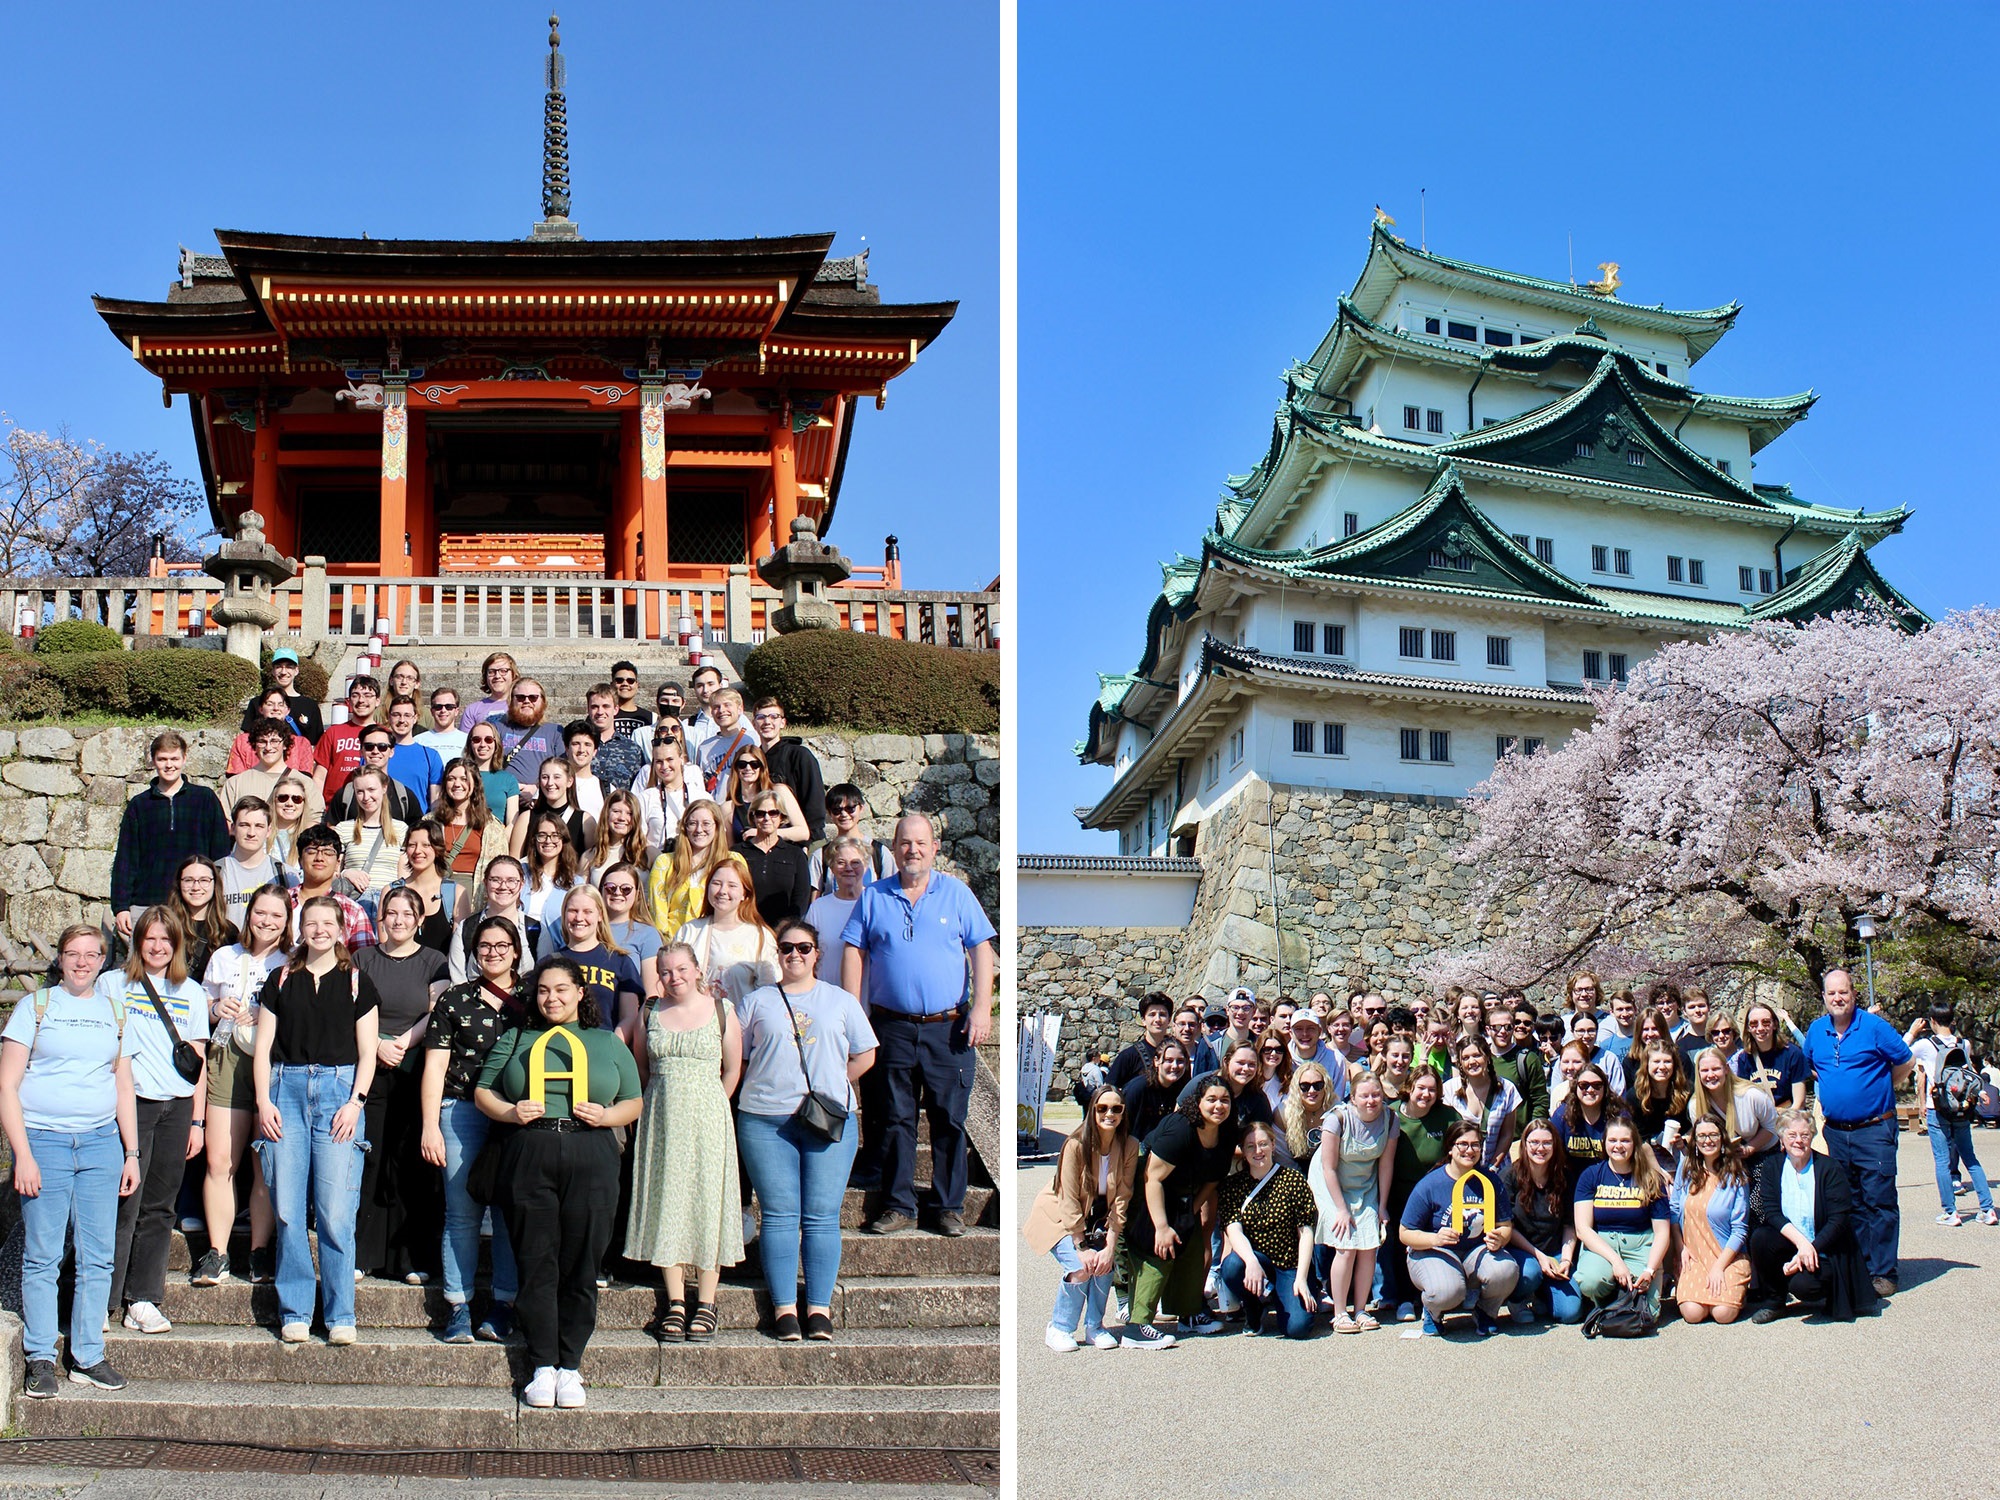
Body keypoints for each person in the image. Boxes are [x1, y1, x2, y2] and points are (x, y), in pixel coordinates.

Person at [474, 957, 643, 1406]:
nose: (552, 998)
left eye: (561, 989)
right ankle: (543, 1364)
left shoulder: (607, 1041)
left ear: (580, 993)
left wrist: (608, 1116)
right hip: (531, 1150)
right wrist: (510, 1112)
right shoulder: (515, 1037)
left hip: (592, 1152)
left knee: (582, 1263)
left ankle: (571, 1366)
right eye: (544, 990)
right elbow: (483, 1090)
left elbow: (634, 1100)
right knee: (536, 1260)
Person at [1, 925, 142, 1397]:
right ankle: (40, 1356)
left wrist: (131, 1153)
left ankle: (87, 1355)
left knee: (98, 1257)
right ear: (59, 959)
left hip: (102, 1143)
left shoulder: (116, 1011)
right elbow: (6, 1087)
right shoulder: (35, 1007)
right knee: (42, 1255)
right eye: (72, 954)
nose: (82, 962)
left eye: (91, 954)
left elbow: (124, 1086)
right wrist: (22, 1154)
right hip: (45, 1141)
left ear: (104, 960)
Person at [840, 814, 995, 1240]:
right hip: (891, 1025)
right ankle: (898, 1204)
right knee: (894, 1118)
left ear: (935, 847)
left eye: (920, 843)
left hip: (949, 1028)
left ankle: (948, 1207)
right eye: (905, 843)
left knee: (949, 1118)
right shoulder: (874, 896)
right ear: (893, 848)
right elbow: (854, 951)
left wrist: (982, 1007)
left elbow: (981, 948)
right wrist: (854, 1013)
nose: (913, 850)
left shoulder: (957, 894)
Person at [735, 920, 877, 1343]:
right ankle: (783, 1308)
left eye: (803, 948)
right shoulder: (757, 1001)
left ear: (818, 954)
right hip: (765, 1119)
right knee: (778, 1214)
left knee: (821, 1216)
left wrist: (831, 1089)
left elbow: (866, 1054)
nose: (794, 955)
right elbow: (736, 1058)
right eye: (786, 948)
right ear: (777, 954)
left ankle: (818, 1306)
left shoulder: (840, 1000)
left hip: (828, 1120)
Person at [252, 896, 380, 1344]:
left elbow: (369, 1053)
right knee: (288, 1208)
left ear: (341, 930)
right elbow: (263, 1048)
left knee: (336, 1210)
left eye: (328, 923)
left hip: (339, 1094)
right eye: (311, 922)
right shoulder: (280, 978)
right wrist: (264, 1102)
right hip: (285, 1091)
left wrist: (355, 1102)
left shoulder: (356, 982)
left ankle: (341, 1311)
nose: (319, 929)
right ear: (299, 928)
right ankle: (295, 1309)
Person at [626, 943, 745, 1341]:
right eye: (666, 971)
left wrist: (710, 1105)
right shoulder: (650, 1012)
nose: (674, 977)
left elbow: (732, 1070)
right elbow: (642, 1066)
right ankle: (676, 1301)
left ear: (697, 970)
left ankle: (707, 1302)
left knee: (708, 1203)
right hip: (662, 1118)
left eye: (681, 969)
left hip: (709, 1120)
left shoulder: (722, 1012)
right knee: (668, 1203)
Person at [420, 915, 530, 1344]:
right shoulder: (455, 1000)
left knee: (508, 1212)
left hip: (518, 1114)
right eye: (484, 946)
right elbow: (435, 1067)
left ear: (516, 951)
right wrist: (430, 1125)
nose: (493, 953)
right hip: (461, 1110)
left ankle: (503, 1304)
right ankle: (458, 1306)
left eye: (502, 946)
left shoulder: (531, 998)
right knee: (462, 1212)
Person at [103, 907, 209, 1336]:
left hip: (177, 1105)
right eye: (150, 938)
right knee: (123, 1204)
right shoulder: (113, 984)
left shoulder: (193, 992)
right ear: (137, 941)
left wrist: (198, 1122)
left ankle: (143, 1299)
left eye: (167, 939)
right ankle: (104, 1299)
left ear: (178, 944)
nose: (158, 946)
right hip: (131, 1104)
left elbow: (198, 1059)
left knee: (160, 1206)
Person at [192, 884, 289, 1287]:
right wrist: (217, 1008)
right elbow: (200, 1005)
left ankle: (260, 1252)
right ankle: (217, 1252)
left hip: (275, 1061)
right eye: (260, 913)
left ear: (287, 924)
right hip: (228, 1057)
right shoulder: (223, 957)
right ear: (249, 915)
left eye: (276, 916)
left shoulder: (293, 962)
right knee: (220, 1161)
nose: (266, 921)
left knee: (263, 1165)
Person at [352, 888, 448, 1284]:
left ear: (419, 919)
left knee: (411, 1160)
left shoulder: (434, 960)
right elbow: (351, 1006)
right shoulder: (362, 959)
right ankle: (364, 1253)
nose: (398, 920)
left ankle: (412, 1257)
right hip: (368, 1064)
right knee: (370, 1156)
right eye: (390, 913)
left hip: (413, 1065)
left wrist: (400, 1043)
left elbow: (436, 1012)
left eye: (406, 914)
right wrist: (375, 1044)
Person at [1801, 968, 1912, 1297]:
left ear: (1854, 994)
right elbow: (1811, 1066)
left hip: (1874, 1128)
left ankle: (1884, 1271)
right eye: (1831, 993)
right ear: (1824, 997)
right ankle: (1862, 1266)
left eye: (1844, 992)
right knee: (1850, 1202)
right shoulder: (1816, 1030)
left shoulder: (1874, 1027)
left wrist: (1879, 1089)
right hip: (1836, 1131)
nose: (1838, 998)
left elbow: (1905, 1062)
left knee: (1879, 1200)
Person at [1122, 1079, 1237, 1348]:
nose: (1219, 1106)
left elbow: (1214, 1178)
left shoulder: (1227, 1132)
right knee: (1159, 1249)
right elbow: (1153, 1177)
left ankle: (1188, 1314)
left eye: (1225, 1100)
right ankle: (1137, 1326)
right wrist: (1162, 1227)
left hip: (1186, 1191)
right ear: (1198, 1102)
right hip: (1150, 1187)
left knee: (1192, 1243)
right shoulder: (1181, 1128)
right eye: (1211, 1099)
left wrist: (1191, 1211)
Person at [1026, 1084, 1137, 1351]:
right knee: (1079, 1267)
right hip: (1060, 1218)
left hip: (1097, 1222)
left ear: (1123, 1113)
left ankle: (1095, 1327)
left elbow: (1122, 1198)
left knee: (1104, 1264)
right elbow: (1067, 1198)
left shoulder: (1129, 1146)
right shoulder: (1075, 1145)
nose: (1109, 1113)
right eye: (1102, 1108)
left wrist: (1110, 1245)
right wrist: (1081, 1245)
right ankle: (1060, 1327)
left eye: (1116, 1109)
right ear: (1092, 1111)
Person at [1746, 1108, 1878, 1322]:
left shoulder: (1829, 1168)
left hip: (1825, 1247)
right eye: (1792, 1135)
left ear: (1812, 1137)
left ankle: (1834, 1290)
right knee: (1761, 1238)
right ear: (1781, 1137)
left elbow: (1839, 1220)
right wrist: (1801, 1245)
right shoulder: (1773, 1166)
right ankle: (1774, 1302)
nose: (1798, 1141)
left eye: (1804, 1135)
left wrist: (1811, 1248)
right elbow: (1771, 1211)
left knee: (1804, 1287)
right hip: (1794, 1242)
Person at [1398, 1119, 1518, 1337]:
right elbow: (1405, 1233)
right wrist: (1434, 1239)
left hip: (1476, 1251)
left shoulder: (1489, 1180)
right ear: (1451, 1149)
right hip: (1435, 1251)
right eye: (1463, 1144)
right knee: (1447, 1290)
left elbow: (1506, 1226)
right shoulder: (1431, 1183)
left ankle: (1485, 1312)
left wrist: (1500, 1238)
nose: (1469, 1150)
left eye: (1475, 1145)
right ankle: (1432, 1312)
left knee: (1506, 1270)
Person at [111, 732, 230, 940]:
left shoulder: (205, 799)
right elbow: (126, 858)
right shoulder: (139, 805)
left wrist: (216, 898)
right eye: (162, 759)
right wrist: (121, 906)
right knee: (143, 968)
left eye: (174, 758)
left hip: (194, 905)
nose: (169, 765)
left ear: (184, 759)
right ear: (153, 761)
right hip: (147, 902)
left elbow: (220, 855)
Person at [1214, 1120, 1317, 1340]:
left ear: (1272, 1144)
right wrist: (1251, 1261)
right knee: (1232, 1266)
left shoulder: (1293, 1180)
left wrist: (1301, 1278)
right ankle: (1253, 1306)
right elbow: (1234, 1230)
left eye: (1263, 1144)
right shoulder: (1233, 1186)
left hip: (1290, 1264)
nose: (1258, 1151)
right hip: (1256, 1261)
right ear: (1242, 1150)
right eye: (1250, 1146)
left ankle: (1287, 1294)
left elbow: (1306, 1233)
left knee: (1297, 1329)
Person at [1313, 1072, 1396, 1332]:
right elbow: (1328, 1168)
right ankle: (1340, 1312)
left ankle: (1361, 1309)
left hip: (1364, 1184)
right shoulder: (1337, 1119)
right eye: (1365, 1095)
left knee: (1370, 1245)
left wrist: (1382, 1205)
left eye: (1376, 1095)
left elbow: (1385, 1164)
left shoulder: (1390, 1118)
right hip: (1331, 1184)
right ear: (1353, 1097)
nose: (1371, 1101)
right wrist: (1340, 1208)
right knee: (1346, 1245)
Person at [1572, 1116, 1672, 1320]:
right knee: (1590, 1280)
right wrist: (1616, 1261)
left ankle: (1620, 1300)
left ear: (1634, 1143)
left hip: (1641, 1244)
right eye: (1613, 1140)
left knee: (1648, 1314)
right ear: (1604, 1143)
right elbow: (1583, 1229)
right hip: (1603, 1245)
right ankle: (1606, 1302)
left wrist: (1650, 1270)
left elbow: (1662, 1232)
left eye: (1625, 1140)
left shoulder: (1650, 1178)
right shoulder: (1591, 1175)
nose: (1618, 1146)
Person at [1910, 999, 1998, 1227]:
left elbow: (1899, 1052)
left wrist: (1912, 1032)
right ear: (1953, 1020)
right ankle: (1987, 1209)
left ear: (1931, 1021)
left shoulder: (1926, 1045)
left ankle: (1951, 1211)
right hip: (1961, 1108)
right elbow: (1968, 1073)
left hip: (1937, 1108)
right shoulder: (1964, 1044)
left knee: (1942, 1160)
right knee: (1970, 1158)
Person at [1383, 1065, 1451, 1322]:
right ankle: (1404, 1299)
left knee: (1434, 1244)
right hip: (1399, 1193)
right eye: (1421, 1088)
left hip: (1436, 1197)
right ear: (1409, 1088)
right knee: (1401, 1246)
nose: (1426, 1094)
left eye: (1432, 1090)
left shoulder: (1446, 1116)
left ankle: (1435, 1296)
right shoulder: (1391, 1115)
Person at [1498, 1119, 1583, 1324]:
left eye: (1546, 1143)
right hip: (1522, 1252)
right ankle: (1518, 1299)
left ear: (1555, 1145)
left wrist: (1565, 1260)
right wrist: (1539, 1256)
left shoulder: (1564, 1177)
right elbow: (1508, 1227)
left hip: (1554, 1253)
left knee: (1570, 1312)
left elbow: (1569, 1226)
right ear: (1524, 1144)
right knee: (1530, 1273)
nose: (1540, 1148)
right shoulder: (1509, 1176)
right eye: (1534, 1142)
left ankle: (1541, 1295)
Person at [1671, 1112, 1751, 1325]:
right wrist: (1680, 1247)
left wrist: (1718, 1267)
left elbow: (1740, 1229)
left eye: (1713, 1135)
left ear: (1722, 1138)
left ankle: (1737, 1290)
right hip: (1693, 1255)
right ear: (1695, 1142)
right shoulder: (1686, 1168)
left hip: (1725, 1256)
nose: (1708, 1141)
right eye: (1702, 1136)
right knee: (1692, 1314)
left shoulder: (1737, 1176)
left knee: (1722, 1314)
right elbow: (1674, 1209)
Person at [673, 857, 780, 1008]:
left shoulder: (759, 936)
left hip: (740, 1025)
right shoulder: (689, 931)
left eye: (732, 886)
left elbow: (769, 993)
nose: (723, 891)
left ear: (745, 894)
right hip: (692, 1021)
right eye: (716, 883)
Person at [544, 884, 645, 1039]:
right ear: (564, 914)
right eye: (572, 911)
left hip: (604, 1050)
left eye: (587, 911)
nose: (579, 918)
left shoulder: (620, 961)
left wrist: (611, 1048)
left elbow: (629, 1017)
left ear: (599, 915)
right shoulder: (549, 963)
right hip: (558, 1049)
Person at [287, 824, 376, 949]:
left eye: (328, 853)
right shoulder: (282, 902)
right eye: (311, 851)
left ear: (337, 863)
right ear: (300, 860)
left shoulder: (352, 911)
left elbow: (363, 962)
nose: (319, 858)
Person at [388, 822, 471, 955]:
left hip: (442, 973)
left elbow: (459, 950)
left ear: (438, 849)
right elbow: (385, 942)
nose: (417, 851)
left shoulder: (456, 893)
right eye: (412, 845)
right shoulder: (390, 891)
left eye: (426, 845)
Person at [447, 857, 533, 984]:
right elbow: (457, 980)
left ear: (521, 884)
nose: (503, 886)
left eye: (511, 881)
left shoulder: (535, 929)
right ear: (485, 882)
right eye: (495, 880)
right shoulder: (466, 928)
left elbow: (544, 975)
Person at [748, 698, 826, 838]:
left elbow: (814, 801)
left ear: (783, 722)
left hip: (800, 839)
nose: (767, 722)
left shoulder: (799, 755)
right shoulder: (753, 760)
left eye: (774, 717)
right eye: (761, 717)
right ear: (754, 724)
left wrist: (809, 840)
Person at [332, 768, 407, 913]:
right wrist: (346, 873)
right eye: (360, 791)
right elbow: (332, 872)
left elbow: (404, 875)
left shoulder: (401, 829)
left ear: (384, 788)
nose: (366, 797)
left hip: (388, 903)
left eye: (371, 789)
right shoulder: (343, 829)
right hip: (354, 903)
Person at [1442, 1034, 1519, 1170]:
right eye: (1465, 1058)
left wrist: (1493, 1167)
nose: (1472, 1062)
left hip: (1497, 1168)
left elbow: (1507, 1134)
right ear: (1460, 1063)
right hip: (1460, 1169)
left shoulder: (1507, 1089)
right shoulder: (1449, 1090)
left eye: (1477, 1055)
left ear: (1487, 1057)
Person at [225, 720, 327, 823]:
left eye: (274, 741)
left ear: (285, 744)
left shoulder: (305, 783)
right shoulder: (235, 783)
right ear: (254, 745)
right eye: (262, 741)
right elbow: (226, 822)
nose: (268, 747)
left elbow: (315, 820)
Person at [737, 790, 814, 926]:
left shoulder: (795, 855)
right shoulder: (737, 853)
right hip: (744, 928)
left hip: (782, 931)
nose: (767, 818)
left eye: (773, 813)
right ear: (753, 817)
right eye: (761, 814)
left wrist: (786, 928)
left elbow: (801, 898)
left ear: (782, 817)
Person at [1689, 1047, 1777, 1160]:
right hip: (1726, 1159)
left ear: (1726, 1069)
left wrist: (1749, 1149)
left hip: (1766, 1153)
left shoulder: (1751, 1095)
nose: (1710, 1075)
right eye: (1705, 1070)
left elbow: (1772, 1126)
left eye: (1715, 1069)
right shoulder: (1695, 1105)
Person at [809, 785, 896, 895]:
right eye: (837, 810)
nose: (844, 814)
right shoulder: (820, 856)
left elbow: (891, 895)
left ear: (861, 808)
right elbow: (815, 901)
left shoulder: (879, 853)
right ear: (829, 813)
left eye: (850, 808)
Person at [433, 760, 508, 888]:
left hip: (473, 895)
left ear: (475, 784)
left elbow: (501, 869)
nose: (457, 784)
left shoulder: (492, 827)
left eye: (464, 779)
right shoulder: (430, 822)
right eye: (451, 779)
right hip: (435, 892)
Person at [327, 728, 424, 827]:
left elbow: (416, 833)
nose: (375, 751)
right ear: (361, 751)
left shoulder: (404, 796)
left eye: (382, 747)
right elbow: (331, 830)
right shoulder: (345, 794)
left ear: (391, 752)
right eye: (369, 746)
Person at [165, 855, 238, 986]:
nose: (196, 887)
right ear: (179, 883)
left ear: (215, 884)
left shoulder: (228, 932)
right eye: (188, 880)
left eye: (204, 880)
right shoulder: (166, 926)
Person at [803, 838, 867, 984]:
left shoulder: (874, 903)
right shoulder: (818, 908)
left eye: (855, 862)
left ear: (866, 866)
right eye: (841, 862)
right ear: (831, 868)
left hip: (867, 997)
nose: (848, 868)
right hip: (827, 996)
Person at [311, 676, 380, 807]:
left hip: (371, 806)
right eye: (355, 695)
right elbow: (319, 776)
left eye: (367, 695)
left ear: (377, 701)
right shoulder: (333, 732)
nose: (361, 700)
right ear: (349, 701)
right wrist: (316, 807)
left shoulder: (383, 735)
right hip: (333, 807)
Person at [216, 800, 285, 930]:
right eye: (244, 825)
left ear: (269, 830)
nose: (251, 833)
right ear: (233, 828)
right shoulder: (215, 872)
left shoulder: (284, 874)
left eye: (259, 826)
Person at [520, 808, 580, 951]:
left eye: (555, 835)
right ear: (534, 840)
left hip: (556, 955)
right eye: (542, 835)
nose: (548, 841)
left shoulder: (576, 884)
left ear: (563, 839)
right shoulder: (520, 873)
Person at [724, 744, 809, 844]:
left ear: (762, 768)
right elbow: (730, 850)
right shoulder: (728, 807)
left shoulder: (779, 791)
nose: (748, 768)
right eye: (742, 764)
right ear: (736, 769)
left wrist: (761, 833)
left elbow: (803, 832)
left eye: (754, 764)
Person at [511, 756, 592, 860]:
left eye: (557, 777)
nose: (550, 783)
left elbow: (589, 866)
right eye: (545, 777)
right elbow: (514, 861)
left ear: (569, 781)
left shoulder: (585, 821)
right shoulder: (526, 818)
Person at [1625, 1041, 1691, 1166]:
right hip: (1647, 1159)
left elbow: (1695, 1126)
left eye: (1667, 1061)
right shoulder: (1635, 1096)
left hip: (1683, 1156)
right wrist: (1659, 1171)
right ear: (1646, 1064)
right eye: (1656, 1062)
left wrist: (1684, 1140)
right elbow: (1641, 1139)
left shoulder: (1687, 1091)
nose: (1662, 1067)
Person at [635, 735, 703, 853]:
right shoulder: (645, 798)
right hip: (657, 863)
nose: (664, 766)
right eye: (659, 762)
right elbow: (638, 839)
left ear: (681, 759)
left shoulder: (701, 797)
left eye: (670, 759)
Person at [1736, 1000, 1808, 1110]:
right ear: (1748, 1028)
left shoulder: (1792, 1054)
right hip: (1759, 1121)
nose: (1760, 1028)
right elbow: (1745, 1100)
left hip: (1788, 1118)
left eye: (1766, 1022)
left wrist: (1777, 1123)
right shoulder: (1744, 1059)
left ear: (1774, 1024)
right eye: (1754, 1024)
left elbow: (1799, 1103)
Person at [599, 861, 665, 980]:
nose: (617, 892)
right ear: (601, 891)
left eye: (626, 889)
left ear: (637, 894)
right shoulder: (587, 927)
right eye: (610, 887)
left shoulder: (647, 934)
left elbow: (652, 992)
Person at [226, 689, 318, 775]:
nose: (276, 708)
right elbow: (235, 777)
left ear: (288, 710)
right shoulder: (243, 741)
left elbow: (304, 781)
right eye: (270, 704)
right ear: (261, 709)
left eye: (281, 704)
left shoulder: (301, 744)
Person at [498, 678, 567, 790]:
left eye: (533, 697)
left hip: (543, 798)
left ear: (543, 702)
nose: (526, 701)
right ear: (511, 701)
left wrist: (536, 790)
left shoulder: (556, 731)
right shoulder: (498, 729)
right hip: (505, 796)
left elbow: (563, 770)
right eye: (520, 697)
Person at [383, 696, 445, 814]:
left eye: (407, 715)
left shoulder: (430, 756)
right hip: (383, 822)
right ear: (389, 717)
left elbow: (435, 801)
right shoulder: (376, 752)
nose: (402, 720)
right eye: (396, 715)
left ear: (415, 718)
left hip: (417, 825)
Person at [1551, 1060, 1615, 1174]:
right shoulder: (1562, 1115)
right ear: (1576, 1087)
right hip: (1571, 1182)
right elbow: (1552, 1154)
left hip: (1607, 1182)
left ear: (1605, 1088)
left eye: (1597, 1085)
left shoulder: (1617, 1116)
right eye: (1584, 1085)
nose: (1590, 1090)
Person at [583, 687, 646, 800]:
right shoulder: (579, 747)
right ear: (588, 709)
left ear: (616, 709)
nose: (600, 712)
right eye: (594, 707)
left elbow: (638, 790)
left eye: (606, 706)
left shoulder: (632, 749)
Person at [583, 789, 652, 888]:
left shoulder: (649, 854)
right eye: (616, 811)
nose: (622, 818)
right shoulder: (590, 857)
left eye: (629, 813)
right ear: (607, 814)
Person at [695, 686, 757, 793]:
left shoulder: (754, 739)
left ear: (740, 709)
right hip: (718, 805)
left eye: (727, 705)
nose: (722, 710)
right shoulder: (704, 748)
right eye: (716, 707)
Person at [1110, 993, 1175, 1090]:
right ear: (1143, 1020)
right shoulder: (1128, 1057)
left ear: (1169, 1019)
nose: (1157, 1019)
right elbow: (1109, 1089)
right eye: (1152, 1014)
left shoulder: (1177, 1054)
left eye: (1162, 1014)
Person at [465, 719, 522, 828]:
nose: (482, 744)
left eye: (488, 740)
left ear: (496, 744)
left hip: (496, 839)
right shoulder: (461, 776)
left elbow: (512, 823)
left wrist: (499, 842)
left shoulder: (508, 780)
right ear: (470, 744)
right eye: (476, 740)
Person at [266, 649, 324, 745]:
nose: (283, 672)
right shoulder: (259, 703)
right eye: (279, 667)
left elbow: (317, 743)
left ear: (296, 670)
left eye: (289, 667)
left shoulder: (310, 706)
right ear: (273, 670)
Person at [265, 773, 318, 867]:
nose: (289, 803)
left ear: (303, 803)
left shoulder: (313, 835)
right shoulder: (261, 832)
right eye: (283, 798)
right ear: (274, 801)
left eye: (296, 799)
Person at [561, 720, 607, 827]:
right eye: (576, 744)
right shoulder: (553, 783)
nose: (582, 750)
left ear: (595, 751)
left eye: (587, 744)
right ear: (566, 749)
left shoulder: (607, 789)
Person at [457, 652, 518, 731]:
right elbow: (466, 741)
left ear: (513, 675)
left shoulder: (521, 706)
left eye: (503, 671)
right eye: (491, 672)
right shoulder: (472, 710)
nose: (497, 676)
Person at [416, 686, 468, 763]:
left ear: (457, 711)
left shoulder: (467, 740)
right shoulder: (418, 741)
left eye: (449, 707)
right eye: (438, 707)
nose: (443, 710)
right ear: (432, 711)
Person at [1255, 1035, 1292, 1111]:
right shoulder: (1251, 1079)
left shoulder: (1286, 1081)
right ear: (1260, 1051)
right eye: (1268, 1049)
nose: (1274, 1053)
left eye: (1279, 1049)